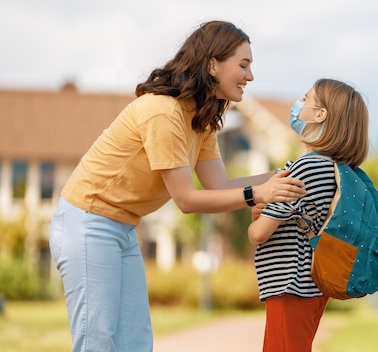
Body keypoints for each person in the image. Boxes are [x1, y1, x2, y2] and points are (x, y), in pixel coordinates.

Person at [48, 20, 305, 352]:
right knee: (97, 341)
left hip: (122, 228)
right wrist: (257, 194)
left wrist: (282, 175)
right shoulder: (163, 112)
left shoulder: (199, 118)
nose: (250, 76)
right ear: (213, 65)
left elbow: (219, 185)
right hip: (87, 222)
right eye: (243, 65)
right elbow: (185, 199)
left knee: (135, 343)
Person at [248, 78, 369, 352]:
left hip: (290, 283)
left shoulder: (305, 169)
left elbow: (258, 233)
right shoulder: (334, 169)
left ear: (319, 114)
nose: (298, 106)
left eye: (305, 99)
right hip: (310, 286)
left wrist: (260, 213)